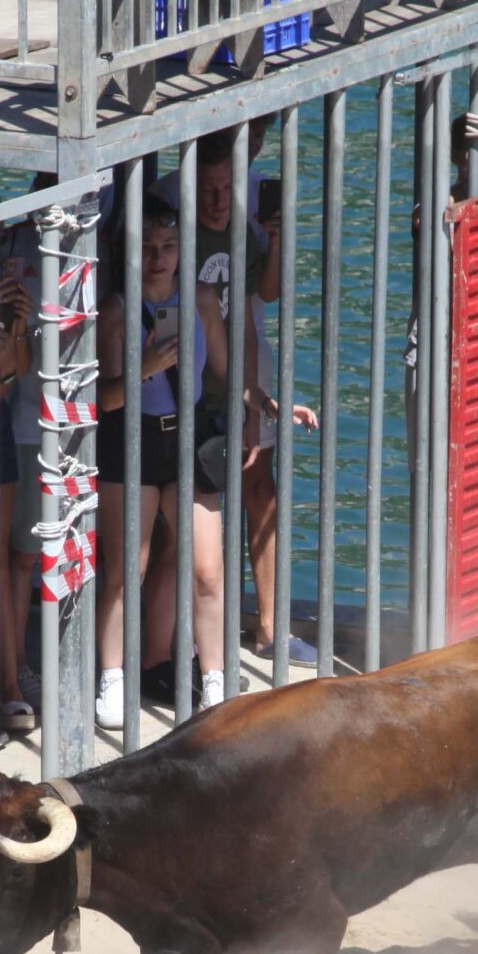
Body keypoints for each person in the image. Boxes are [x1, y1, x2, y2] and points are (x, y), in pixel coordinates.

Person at [153, 135, 318, 684]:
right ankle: (184, 650)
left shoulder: (237, 226)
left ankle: (270, 626)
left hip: (234, 373)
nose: (220, 198)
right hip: (184, 388)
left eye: (227, 188)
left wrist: (274, 239)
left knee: (258, 488)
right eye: (210, 189)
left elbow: (254, 303)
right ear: (189, 187)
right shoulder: (179, 236)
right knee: (185, 522)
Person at [93, 192, 233, 728]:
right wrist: (147, 364)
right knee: (128, 569)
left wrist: (261, 401)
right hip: (131, 439)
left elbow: (223, 370)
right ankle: (113, 676)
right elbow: (105, 398)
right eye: (149, 246)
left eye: (169, 245)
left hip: (187, 440)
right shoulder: (117, 309)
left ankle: (215, 683)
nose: (159, 257)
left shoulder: (199, 299)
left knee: (207, 570)